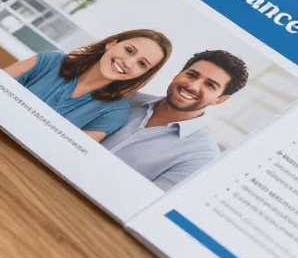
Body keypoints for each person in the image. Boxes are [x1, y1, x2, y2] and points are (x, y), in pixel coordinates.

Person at [103, 49, 249, 191]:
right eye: (192, 75)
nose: (192, 85)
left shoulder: (202, 156)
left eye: (210, 85)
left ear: (220, 100)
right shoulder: (124, 98)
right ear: (177, 75)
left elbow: (145, 202)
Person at [4, 30, 173, 141]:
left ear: (143, 74)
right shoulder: (51, 61)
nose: (128, 63)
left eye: (142, 64)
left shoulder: (115, 113)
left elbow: (63, 154)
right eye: (129, 50)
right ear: (111, 44)